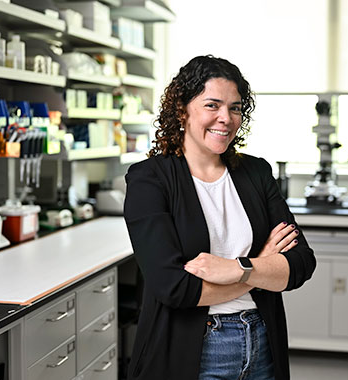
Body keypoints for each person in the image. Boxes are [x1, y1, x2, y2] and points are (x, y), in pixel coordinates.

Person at [123, 55, 316, 380]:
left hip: (262, 343)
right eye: (212, 105)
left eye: (236, 107)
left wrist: (235, 268)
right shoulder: (149, 179)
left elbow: (300, 264)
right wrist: (261, 266)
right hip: (192, 351)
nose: (226, 118)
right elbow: (174, 288)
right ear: (182, 109)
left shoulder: (256, 172)